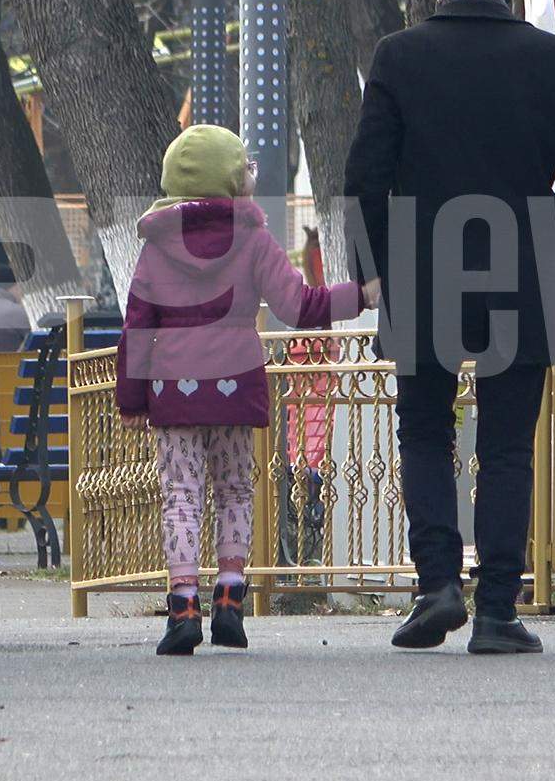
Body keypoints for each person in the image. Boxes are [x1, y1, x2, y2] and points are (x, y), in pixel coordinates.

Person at [343, 0, 555, 655]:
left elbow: (365, 174)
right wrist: (539, 236)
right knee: (505, 448)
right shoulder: (550, 60)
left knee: (424, 432)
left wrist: (371, 267)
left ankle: (436, 583)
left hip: (420, 272)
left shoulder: (399, 57)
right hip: (517, 275)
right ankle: (497, 610)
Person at [116, 125, 370, 655]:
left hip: (172, 391)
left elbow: (137, 327)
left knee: (180, 497)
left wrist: (133, 399)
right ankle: (229, 602)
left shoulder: (157, 247)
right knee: (234, 491)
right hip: (234, 385)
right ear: (231, 179)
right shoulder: (254, 240)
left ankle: (183, 610)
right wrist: (361, 296)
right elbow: (299, 307)